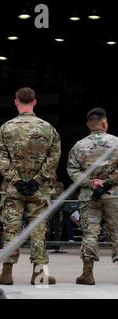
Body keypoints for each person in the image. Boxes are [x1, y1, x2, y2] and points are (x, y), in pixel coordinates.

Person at [0, 87, 61, 285]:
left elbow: (0, 156)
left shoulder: (6, 128)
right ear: (35, 102)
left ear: (16, 102)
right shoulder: (48, 129)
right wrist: (37, 180)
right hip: (38, 190)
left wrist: (15, 179)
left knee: (11, 231)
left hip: (14, 190)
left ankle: (6, 274)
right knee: (39, 231)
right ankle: (40, 276)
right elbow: (54, 157)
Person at [67, 107, 118, 285]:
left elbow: (72, 170)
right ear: (104, 123)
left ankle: (87, 274)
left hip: (90, 196)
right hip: (114, 194)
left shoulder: (79, 145)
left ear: (89, 125)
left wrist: (91, 183)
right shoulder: (116, 142)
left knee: (90, 232)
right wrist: (108, 182)